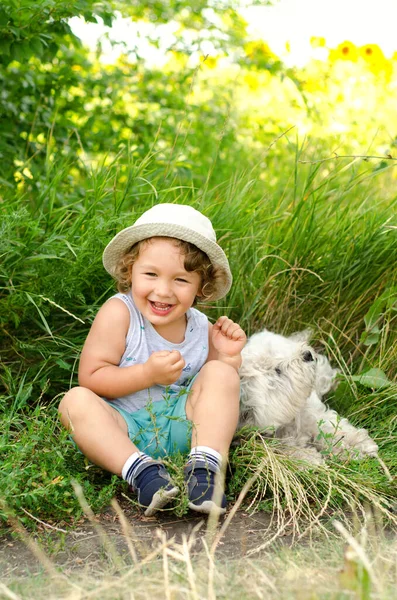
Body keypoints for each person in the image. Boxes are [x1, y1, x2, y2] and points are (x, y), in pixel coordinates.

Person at [59, 203, 246, 517]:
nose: (163, 290)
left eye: (181, 280)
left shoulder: (200, 326)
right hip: (123, 429)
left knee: (222, 375)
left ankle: (204, 472)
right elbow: (92, 377)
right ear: (129, 270)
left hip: (180, 428)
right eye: (150, 274)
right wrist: (147, 374)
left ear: (202, 286)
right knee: (74, 402)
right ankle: (144, 475)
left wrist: (224, 356)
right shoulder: (120, 313)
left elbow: (207, 392)